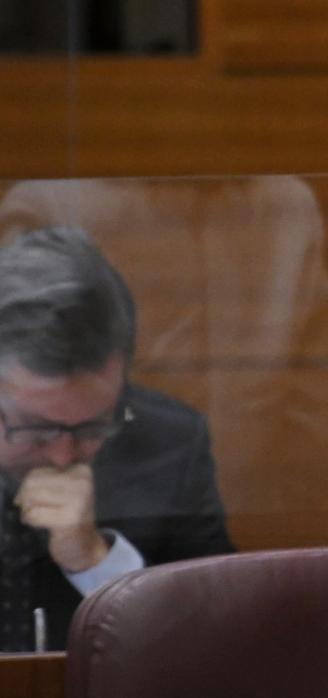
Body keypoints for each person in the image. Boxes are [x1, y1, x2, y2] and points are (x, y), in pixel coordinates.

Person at [0, 176, 328, 518]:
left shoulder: (285, 206)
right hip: (93, 522)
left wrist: (269, 526)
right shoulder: (55, 203)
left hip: (247, 526)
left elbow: (313, 425)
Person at [0, 226, 233, 652]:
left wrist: (96, 562)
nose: (62, 455)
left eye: (92, 427)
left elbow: (215, 645)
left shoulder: (171, 445)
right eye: (34, 428)